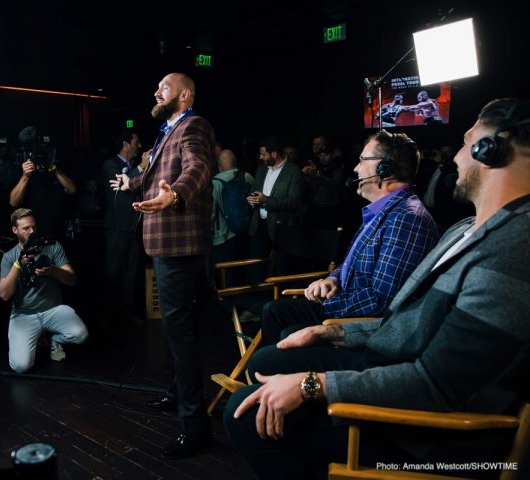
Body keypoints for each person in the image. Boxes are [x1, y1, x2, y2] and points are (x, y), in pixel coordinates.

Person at [223, 97, 530, 479]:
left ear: (494, 148)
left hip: (428, 436)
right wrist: (329, 329)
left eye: (469, 142)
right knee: (269, 363)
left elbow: (436, 385)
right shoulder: (464, 229)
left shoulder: (514, 248)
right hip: (399, 367)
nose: (456, 156)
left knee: (244, 412)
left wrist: (311, 385)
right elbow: (405, 321)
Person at [111, 72, 215, 459]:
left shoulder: (194, 125)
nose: (156, 91)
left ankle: (195, 427)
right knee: (176, 330)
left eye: (165, 87)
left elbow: (198, 168)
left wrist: (175, 198)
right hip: (162, 242)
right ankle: (176, 394)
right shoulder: (165, 131)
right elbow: (155, 176)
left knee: (180, 332)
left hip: (177, 244)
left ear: (184, 94)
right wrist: (132, 184)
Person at [259, 130, 439, 345]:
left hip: (358, 324)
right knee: (275, 310)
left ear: (385, 169)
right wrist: (332, 279)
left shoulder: (406, 219)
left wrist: (327, 305)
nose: (355, 168)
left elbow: (381, 301)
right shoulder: (384, 212)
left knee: (284, 328)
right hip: (346, 306)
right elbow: (351, 264)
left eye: (362, 160)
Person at [0, 208, 88, 372]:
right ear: (15, 230)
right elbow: (4, 295)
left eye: (34, 227)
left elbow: (72, 279)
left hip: (53, 310)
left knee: (79, 335)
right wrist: (18, 265)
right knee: (20, 366)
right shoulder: (9, 257)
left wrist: (52, 270)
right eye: (26, 228)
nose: (31, 231)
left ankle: (54, 339)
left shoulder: (52, 246)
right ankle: (39, 339)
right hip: (24, 314)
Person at [102, 131, 147, 324]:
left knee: (131, 272)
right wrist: (141, 167)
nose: (139, 145)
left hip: (134, 228)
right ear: (125, 144)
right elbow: (121, 187)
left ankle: (128, 311)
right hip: (117, 228)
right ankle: (110, 313)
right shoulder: (111, 165)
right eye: (136, 142)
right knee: (114, 270)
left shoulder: (131, 169)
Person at [246, 136, 305, 282]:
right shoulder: (261, 169)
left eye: (263, 154)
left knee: (281, 269)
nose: (261, 157)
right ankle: (256, 300)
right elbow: (254, 191)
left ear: (274, 154)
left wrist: (266, 200)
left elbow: (293, 202)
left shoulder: (293, 171)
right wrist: (252, 200)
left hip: (281, 227)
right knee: (256, 267)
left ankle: (278, 301)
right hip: (259, 225)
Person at [9, 135, 77, 241]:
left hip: (56, 230)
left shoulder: (56, 172)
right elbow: (13, 202)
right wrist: (25, 176)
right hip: (33, 231)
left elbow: (72, 189)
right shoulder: (23, 174)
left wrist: (55, 169)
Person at [211, 148, 254, 286]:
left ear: (220, 165)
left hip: (222, 237)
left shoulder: (215, 182)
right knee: (242, 272)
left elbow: (211, 212)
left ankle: (228, 305)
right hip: (245, 233)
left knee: (226, 276)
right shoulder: (247, 177)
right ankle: (244, 303)